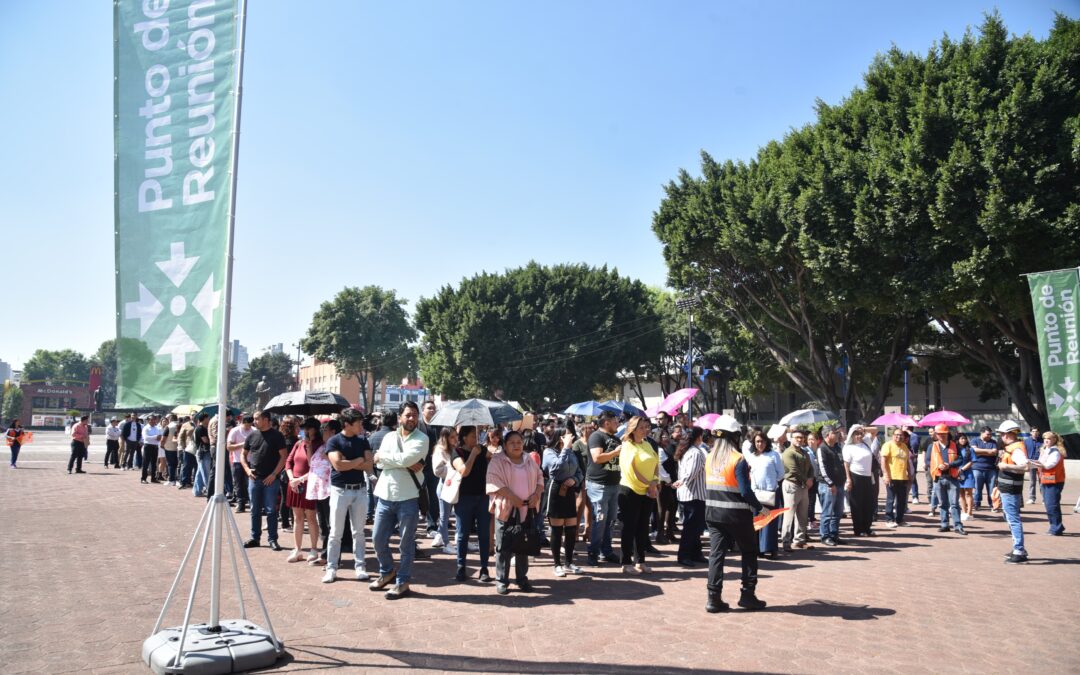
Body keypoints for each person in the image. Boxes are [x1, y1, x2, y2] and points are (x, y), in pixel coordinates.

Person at [704, 418, 768, 613]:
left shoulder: (710, 458)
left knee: (716, 555)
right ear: (735, 437)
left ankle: (713, 598)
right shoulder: (738, 459)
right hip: (737, 515)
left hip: (713, 514)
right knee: (749, 551)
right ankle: (747, 595)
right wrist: (760, 508)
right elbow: (746, 491)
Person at [370, 401, 428, 599]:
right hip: (385, 496)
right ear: (400, 417)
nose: (411, 418)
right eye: (408, 415)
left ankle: (402, 582)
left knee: (406, 543)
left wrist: (384, 457)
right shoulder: (388, 436)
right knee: (377, 539)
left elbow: (402, 460)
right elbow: (378, 463)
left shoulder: (422, 438)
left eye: (414, 415)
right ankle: (387, 572)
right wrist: (399, 461)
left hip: (408, 497)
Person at [486, 429, 544, 594]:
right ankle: (501, 580)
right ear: (505, 445)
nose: (516, 445)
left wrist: (536, 494)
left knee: (523, 546)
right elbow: (492, 481)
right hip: (507, 510)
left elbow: (540, 477)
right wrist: (512, 497)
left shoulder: (528, 460)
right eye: (512, 442)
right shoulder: (497, 461)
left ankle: (522, 579)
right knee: (503, 546)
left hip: (527, 510)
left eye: (519, 442)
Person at [618, 416, 659, 574]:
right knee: (629, 527)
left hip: (648, 490)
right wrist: (649, 484)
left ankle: (640, 561)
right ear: (633, 429)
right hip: (631, 490)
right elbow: (631, 470)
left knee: (643, 527)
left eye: (646, 427)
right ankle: (626, 562)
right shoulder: (628, 446)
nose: (645, 430)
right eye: (641, 427)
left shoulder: (647, 444)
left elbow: (656, 463)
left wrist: (654, 482)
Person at [241, 411, 288, 551]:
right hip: (254, 479)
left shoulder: (277, 435)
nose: (254, 421)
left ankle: (273, 539)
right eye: (254, 419)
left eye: (257, 419)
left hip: (271, 480)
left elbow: (284, 457)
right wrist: (247, 470)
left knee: (270, 510)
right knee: (254, 510)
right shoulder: (252, 435)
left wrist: (274, 474)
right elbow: (243, 455)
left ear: (266, 420)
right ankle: (255, 538)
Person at [452, 425, 492, 582]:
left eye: (476, 435)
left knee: (484, 534)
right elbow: (464, 471)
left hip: (483, 497)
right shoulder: (457, 452)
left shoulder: (481, 449)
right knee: (463, 534)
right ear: (464, 438)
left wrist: (487, 453)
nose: (476, 439)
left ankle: (484, 568)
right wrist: (473, 455)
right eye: (472, 436)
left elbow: (494, 458)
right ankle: (461, 567)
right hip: (464, 498)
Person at [542, 427, 584, 577]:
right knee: (557, 529)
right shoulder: (548, 452)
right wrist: (566, 448)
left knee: (572, 528)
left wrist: (575, 480)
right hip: (556, 490)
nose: (571, 438)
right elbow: (554, 469)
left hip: (570, 490)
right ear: (560, 438)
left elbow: (579, 471)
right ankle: (557, 564)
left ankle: (569, 562)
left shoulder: (572, 452)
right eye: (568, 436)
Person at [281, 417, 322, 564]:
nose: (305, 431)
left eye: (308, 428)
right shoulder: (298, 443)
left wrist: (310, 447)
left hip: (308, 484)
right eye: (304, 428)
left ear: (315, 429)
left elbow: (315, 466)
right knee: (297, 517)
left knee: (311, 517)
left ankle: (313, 549)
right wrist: (292, 478)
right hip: (294, 484)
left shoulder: (319, 445)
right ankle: (297, 549)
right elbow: (288, 461)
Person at [585, 410, 622, 566]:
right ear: (607, 422)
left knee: (610, 521)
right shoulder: (596, 436)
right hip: (598, 485)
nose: (618, 424)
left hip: (614, 484)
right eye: (615, 421)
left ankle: (606, 551)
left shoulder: (615, 438)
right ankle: (593, 553)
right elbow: (597, 458)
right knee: (600, 520)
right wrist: (615, 452)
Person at [996, 421, 1031, 563]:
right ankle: (1018, 547)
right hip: (1008, 489)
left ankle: (1019, 550)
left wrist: (1005, 466)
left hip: (1011, 490)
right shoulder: (1012, 448)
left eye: (1002, 434)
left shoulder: (1015, 450)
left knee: (1013, 519)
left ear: (1007, 434)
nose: (1001, 437)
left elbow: (1025, 467)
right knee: (1009, 517)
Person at [744, 430, 784, 558]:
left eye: (762, 441)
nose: (760, 444)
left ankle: (771, 549)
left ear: (766, 442)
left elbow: (781, 473)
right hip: (756, 494)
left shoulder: (774, 455)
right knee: (757, 521)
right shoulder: (751, 456)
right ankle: (758, 549)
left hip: (770, 492)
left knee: (770, 521)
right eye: (757, 441)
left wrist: (772, 483)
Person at [673, 426, 708, 566]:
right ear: (698, 437)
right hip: (694, 494)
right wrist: (682, 481)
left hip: (688, 494)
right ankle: (684, 555)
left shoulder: (686, 451)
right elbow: (691, 473)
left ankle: (695, 553)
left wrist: (681, 482)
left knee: (694, 527)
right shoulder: (696, 452)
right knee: (691, 528)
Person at [928, 423, 966, 536]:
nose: (942, 436)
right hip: (938, 478)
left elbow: (960, 460)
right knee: (942, 504)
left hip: (952, 478)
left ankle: (958, 526)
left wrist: (949, 465)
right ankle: (944, 524)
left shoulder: (955, 445)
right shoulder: (932, 446)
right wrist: (937, 466)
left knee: (954, 503)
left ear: (947, 434)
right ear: (936, 434)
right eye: (939, 434)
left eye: (944, 434)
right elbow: (927, 461)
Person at [780, 428, 814, 550]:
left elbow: (810, 467)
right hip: (792, 485)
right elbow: (793, 470)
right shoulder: (788, 453)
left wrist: (810, 478)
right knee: (789, 515)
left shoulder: (804, 452)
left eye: (801, 437)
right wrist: (807, 480)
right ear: (791, 439)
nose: (800, 439)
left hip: (803, 486)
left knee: (803, 515)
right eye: (797, 437)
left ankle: (799, 540)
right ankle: (786, 542)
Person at [1031, 430, 1066, 536]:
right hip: (1046, 479)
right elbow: (1043, 463)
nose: (1046, 440)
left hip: (1054, 481)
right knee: (1049, 504)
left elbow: (1049, 465)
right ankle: (1056, 526)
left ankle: (1056, 528)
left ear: (1054, 440)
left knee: (1052, 505)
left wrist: (1036, 464)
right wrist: (1036, 463)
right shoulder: (1046, 450)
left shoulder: (1055, 451)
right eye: (1045, 438)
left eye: (1049, 438)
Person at [815, 425, 846, 546]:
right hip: (827, 485)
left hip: (839, 484)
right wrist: (830, 483)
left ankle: (834, 535)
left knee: (837, 513)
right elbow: (822, 469)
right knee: (827, 513)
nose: (837, 435)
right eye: (835, 433)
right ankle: (825, 536)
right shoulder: (822, 448)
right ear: (827, 435)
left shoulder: (837, 447)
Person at [431, 427, 458, 553]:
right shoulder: (440, 450)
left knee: (450, 515)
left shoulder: (454, 448)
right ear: (445, 437)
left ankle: (440, 537)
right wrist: (453, 469)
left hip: (454, 486)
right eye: (452, 437)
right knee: (444, 516)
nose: (455, 439)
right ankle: (446, 543)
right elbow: (437, 471)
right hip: (445, 486)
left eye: (456, 436)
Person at [880, 428, 912, 527]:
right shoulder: (888, 445)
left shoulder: (904, 447)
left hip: (903, 477)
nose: (899, 437)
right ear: (893, 435)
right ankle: (889, 520)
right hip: (892, 476)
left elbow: (907, 462)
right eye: (897, 435)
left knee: (902, 500)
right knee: (890, 499)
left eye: (901, 435)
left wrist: (909, 473)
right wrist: (886, 475)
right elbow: (883, 461)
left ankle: (899, 520)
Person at [419, 400, 441, 539]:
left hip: (435, 467)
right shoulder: (417, 426)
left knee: (434, 496)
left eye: (434, 408)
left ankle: (432, 525)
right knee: (417, 496)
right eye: (429, 408)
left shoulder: (439, 426)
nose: (432, 410)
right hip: (419, 466)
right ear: (423, 411)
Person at [227, 415, 254, 513]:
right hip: (237, 461)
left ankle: (252, 503)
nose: (248, 428)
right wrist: (243, 444)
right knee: (238, 484)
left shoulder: (254, 430)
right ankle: (240, 504)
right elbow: (229, 447)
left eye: (250, 425)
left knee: (250, 483)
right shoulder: (235, 431)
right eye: (247, 426)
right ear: (242, 422)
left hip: (251, 461)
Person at [970, 425, 999, 512]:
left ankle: (992, 504)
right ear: (981, 433)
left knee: (991, 488)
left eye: (990, 434)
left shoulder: (993, 442)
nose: (989, 436)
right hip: (977, 468)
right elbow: (974, 451)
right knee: (977, 487)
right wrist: (988, 452)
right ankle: (977, 503)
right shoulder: (974, 440)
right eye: (987, 434)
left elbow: (994, 452)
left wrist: (981, 452)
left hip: (991, 469)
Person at [956, 433, 976, 522]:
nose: (963, 440)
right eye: (961, 439)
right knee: (961, 494)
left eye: (964, 438)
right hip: (957, 473)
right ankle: (963, 512)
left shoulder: (970, 450)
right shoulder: (955, 449)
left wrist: (962, 469)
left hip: (967, 473)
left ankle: (970, 513)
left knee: (968, 493)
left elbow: (972, 461)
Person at [192, 413, 213, 497]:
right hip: (203, 453)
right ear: (204, 419)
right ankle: (209, 490)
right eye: (208, 418)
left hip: (203, 452)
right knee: (206, 472)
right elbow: (205, 440)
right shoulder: (200, 429)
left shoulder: (202, 428)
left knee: (200, 472)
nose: (209, 420)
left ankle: (197, 491)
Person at [140, 414, 163, 484]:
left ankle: (153, 478)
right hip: (148, 446)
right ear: (148, 421)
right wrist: (155, 437)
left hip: (155, 446)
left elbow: (160, 436)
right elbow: (146, 437)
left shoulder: (157, 428)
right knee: (145, 463)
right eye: (151, 420)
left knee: (154, 463)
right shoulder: (146, 428)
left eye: (154, 420)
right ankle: (143, 478)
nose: (152, 421)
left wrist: (157, 438)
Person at [1024, 426, 1041, 505]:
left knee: (1042, 481)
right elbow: (1024, 452)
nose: (1035, 433)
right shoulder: (1026, 441)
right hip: (1031, 462)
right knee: (1032, 481)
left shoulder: (1043, 441)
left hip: (1040, 463)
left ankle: (1044, 498)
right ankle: (1032, 498)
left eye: (1036, 431)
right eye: (1033, 431)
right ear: (1030, 432)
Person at [161, 414, 180, 485]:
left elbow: (163, 438)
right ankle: (177, 479)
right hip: (179, 448)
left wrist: (162, 445)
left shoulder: (168, 427)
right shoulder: (180, 425)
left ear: (170, 419)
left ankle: (171, 480)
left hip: (169, 447)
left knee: (170, 464)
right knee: (177, 464)